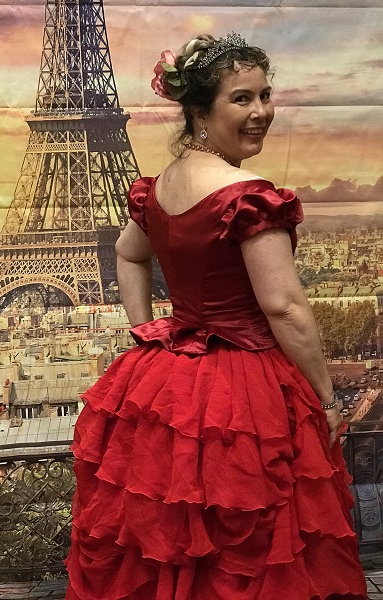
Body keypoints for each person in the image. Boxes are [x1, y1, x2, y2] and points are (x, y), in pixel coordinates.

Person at [65, 32, 367, 600]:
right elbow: (284, 306)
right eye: (242, 99)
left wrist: (146, 330)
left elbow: (129, 253)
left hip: (167, 379)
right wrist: (326, 397)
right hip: (245, 386)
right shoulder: (247, 196)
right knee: (253, 540)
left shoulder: (159, 188)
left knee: (170, 533)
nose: (261, 113)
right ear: (199, 109)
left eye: (265, 95)